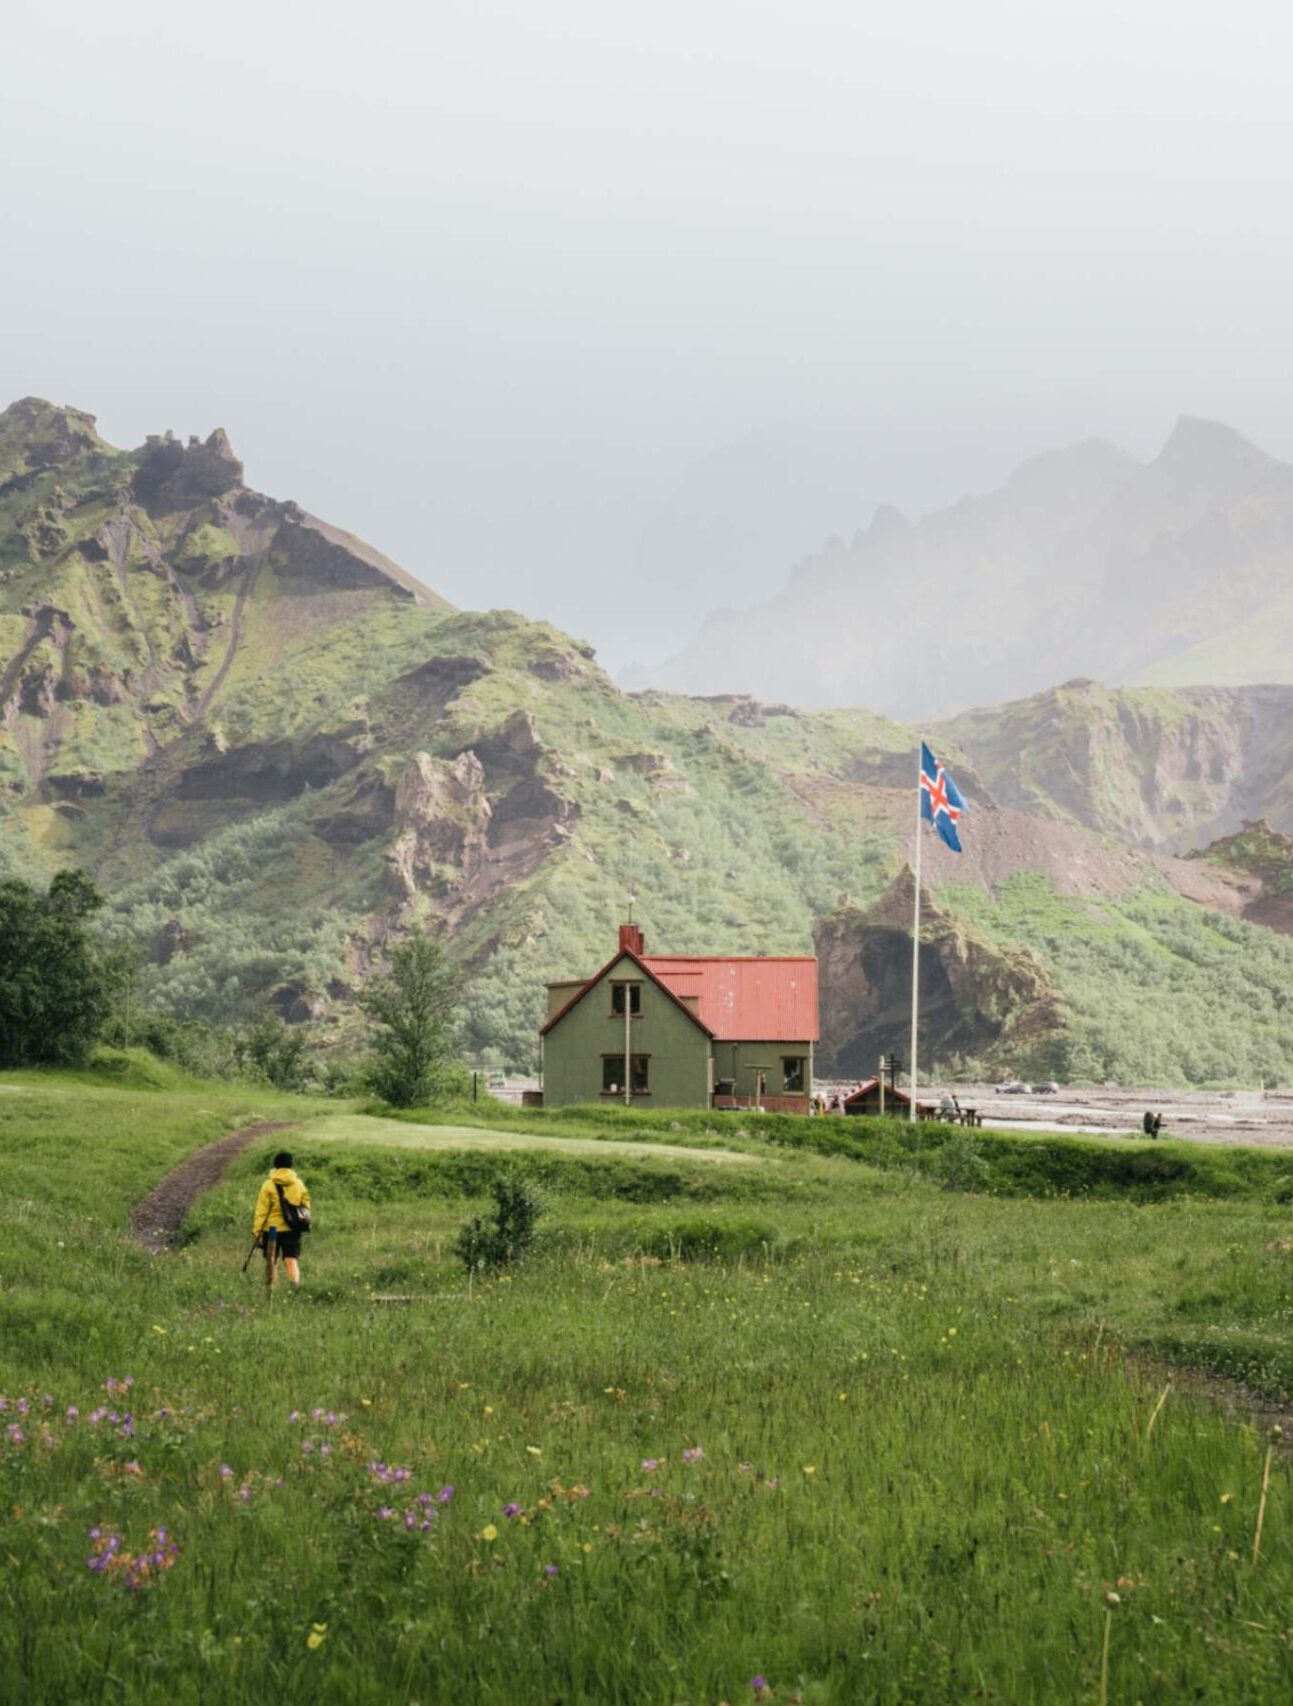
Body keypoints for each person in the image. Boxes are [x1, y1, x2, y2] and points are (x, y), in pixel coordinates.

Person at [252, 1150, 311, 1292]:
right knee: (291, 1259)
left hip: (271, 1229)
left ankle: (271, 1288)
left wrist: (256, 1231)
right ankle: (295, 1287)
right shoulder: (298, 1184)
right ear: (291, 1165)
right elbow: (306, 1205)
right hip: (292, 1229)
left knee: (272, 1260)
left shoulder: (268, 1185)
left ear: (275, 1166)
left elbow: (261, 1210)